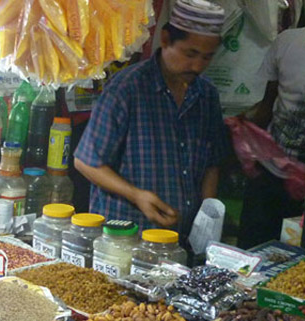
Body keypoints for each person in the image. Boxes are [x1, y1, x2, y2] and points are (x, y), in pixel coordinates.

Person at [73, 0, 227, 240]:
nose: (197, 65)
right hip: (127, 238)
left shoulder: (207, 94)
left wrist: (207, 216)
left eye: (207, 57)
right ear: (165, 39)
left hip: (181, 240)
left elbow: (212, 163)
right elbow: (86, 162)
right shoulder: (126, 89)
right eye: (190, 54)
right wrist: (137, 195)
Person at [238, 0, 305, 249]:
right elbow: (268, 104)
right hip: (272, 175)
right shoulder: (288, 42)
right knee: (254, 248)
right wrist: (244, 134)